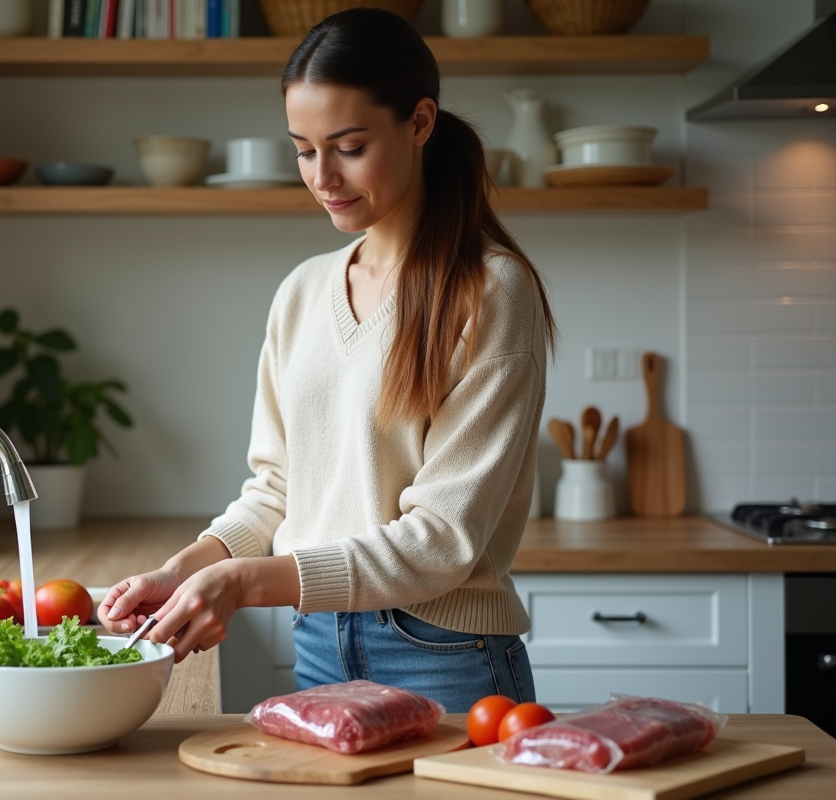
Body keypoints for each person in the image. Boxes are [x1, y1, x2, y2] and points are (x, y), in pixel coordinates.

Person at [98, 8, 557, 713]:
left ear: (420, 123)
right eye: (305, 150)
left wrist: (247, 584)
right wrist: (185, 570)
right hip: (319, 641)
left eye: (347, 146)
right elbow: (278, 491)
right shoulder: (304, 290)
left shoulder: (490, 289)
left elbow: (442, 541)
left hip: (445, 656)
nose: (323, 176)